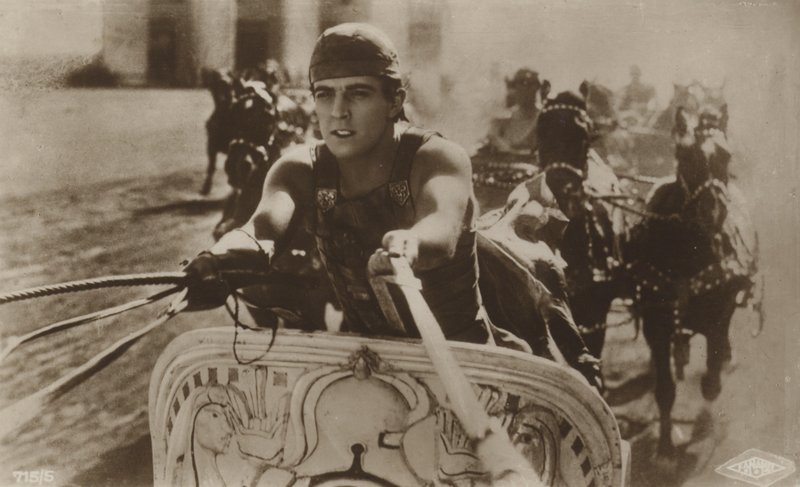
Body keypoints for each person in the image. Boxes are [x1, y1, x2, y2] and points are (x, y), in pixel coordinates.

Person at [483, 68, 544, 158]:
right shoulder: (503, 119)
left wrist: (510, 151)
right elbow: (489, 140)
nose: (524, 91)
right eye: (519, 86)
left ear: (537, 88)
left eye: (530, 85)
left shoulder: (544, 118)